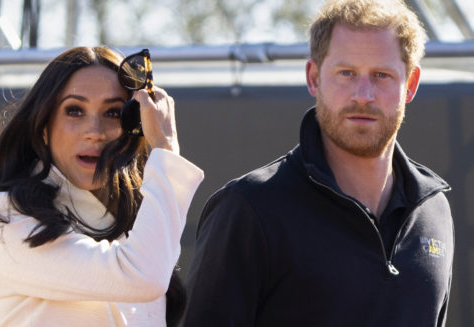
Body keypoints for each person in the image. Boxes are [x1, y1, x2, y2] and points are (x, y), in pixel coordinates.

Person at [184, 0, 454, 326]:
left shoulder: (434, 211)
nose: (363, 94)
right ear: (314, 78)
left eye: (381, 75)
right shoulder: (249, 209)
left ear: (410, 85)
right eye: (346, 73)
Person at [0, 46, 204, 326]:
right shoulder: (3, 216)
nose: (94, 132)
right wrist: (166, 149)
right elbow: (141, 275)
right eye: (75, 110)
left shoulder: (140, 226)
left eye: (112, 113)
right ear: (44, 126)